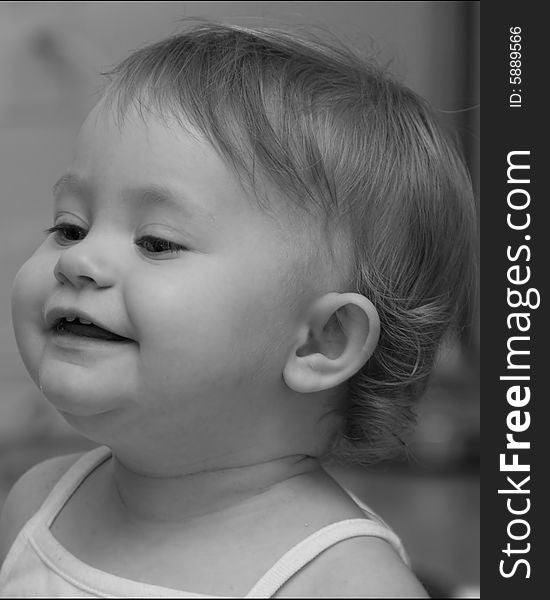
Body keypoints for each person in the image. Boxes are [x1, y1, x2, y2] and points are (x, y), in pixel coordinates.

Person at [0, 21, 477, 598]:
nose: (79, 260)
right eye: (69, 226)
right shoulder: (37, 503)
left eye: (156, 242)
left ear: (320, 341)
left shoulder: (343, 584)